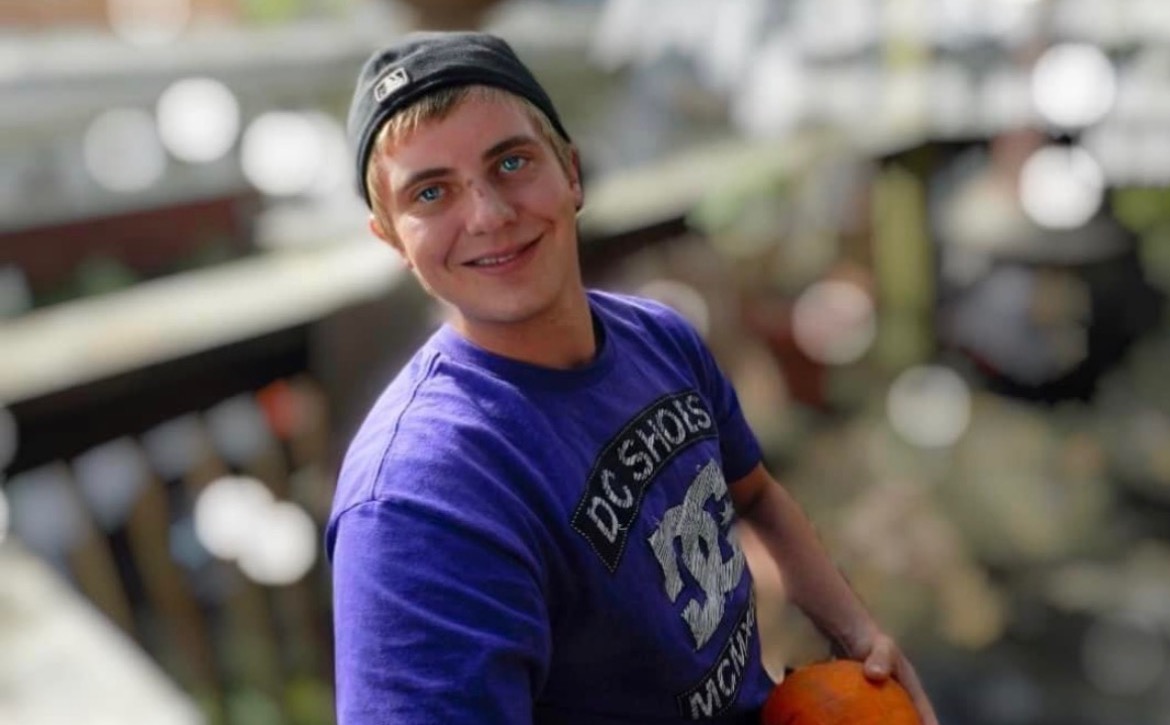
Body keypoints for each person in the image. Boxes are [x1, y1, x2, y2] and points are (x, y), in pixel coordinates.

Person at [326, 30, 939, 725]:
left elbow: (758, 496)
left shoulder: (659, 338)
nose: (489, 215)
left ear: (572, 172)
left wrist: (857, 635)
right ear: (391, 238)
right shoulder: (419, 500)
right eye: (431, 192)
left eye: (512, 162)